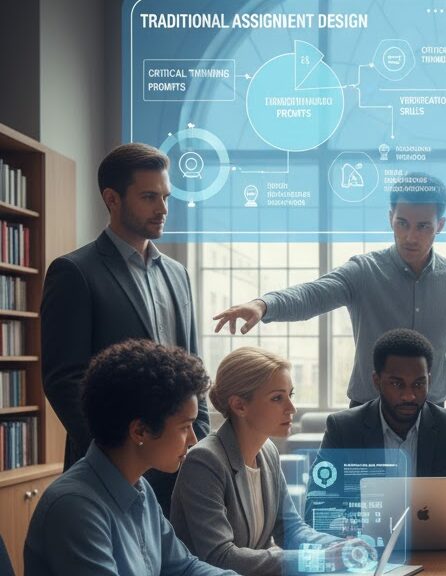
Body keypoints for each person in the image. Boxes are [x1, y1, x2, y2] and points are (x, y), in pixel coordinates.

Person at [211, 172, 446, 432]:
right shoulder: (364, 271)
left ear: (440, 226)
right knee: (357, 483)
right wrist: (264, 305)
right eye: (403, 223)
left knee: (435, 484)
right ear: (390, 218)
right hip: (367, 415)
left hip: (432, 416)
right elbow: (313, 294)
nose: (411, 236)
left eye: (423, 226)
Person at [41, 142, 207, 514]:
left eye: (165, 196)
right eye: (150, 197)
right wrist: (119, 455)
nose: (163, 208)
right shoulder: (74, 272)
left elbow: (194, 369)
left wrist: (202, 448)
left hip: (178, 467)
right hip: (112, 470)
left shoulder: (178, 275)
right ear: (112, 199)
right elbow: (64, 379)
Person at [24, 340, 236, 576]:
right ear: (140, 431)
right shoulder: (75, 507)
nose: (193, 440)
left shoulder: (139, 488)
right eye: (185, 427)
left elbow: (184, 567)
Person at [171, 347, 342, 575]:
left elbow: (290, 529)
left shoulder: (268, 451)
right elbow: (220, 556)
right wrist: (316, 559)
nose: (292, 408)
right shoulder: (204, 461)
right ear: (240, 405)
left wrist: (337, 546)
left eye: (290, 395)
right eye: (277, 398)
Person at [311, 328, 446, 529]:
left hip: (440, 548)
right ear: (377, 381)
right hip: (366, 550)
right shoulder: (343, 429)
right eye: (397, 384)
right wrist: (345, 527)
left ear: (429, 381)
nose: (409, 396)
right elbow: (317, 502)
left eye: (418, 384)